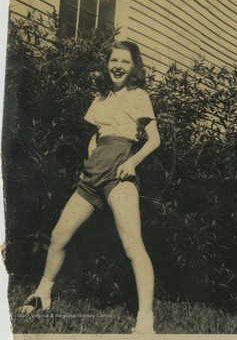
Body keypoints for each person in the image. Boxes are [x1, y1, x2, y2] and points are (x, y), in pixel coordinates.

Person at [19, 40, 160, 334]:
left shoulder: (138, 96)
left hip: (119, 171)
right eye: (113, 61)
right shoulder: (100, 99)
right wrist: (89, 161)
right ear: (107, 65)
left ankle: (145, 319)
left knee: (133, 245)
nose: (118, 66)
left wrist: (132, 163)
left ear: (134, 67)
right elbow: (96, 136)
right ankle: (43, 294)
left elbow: (155, 140)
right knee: (59, 235)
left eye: (125, 61)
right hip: (92, 173)